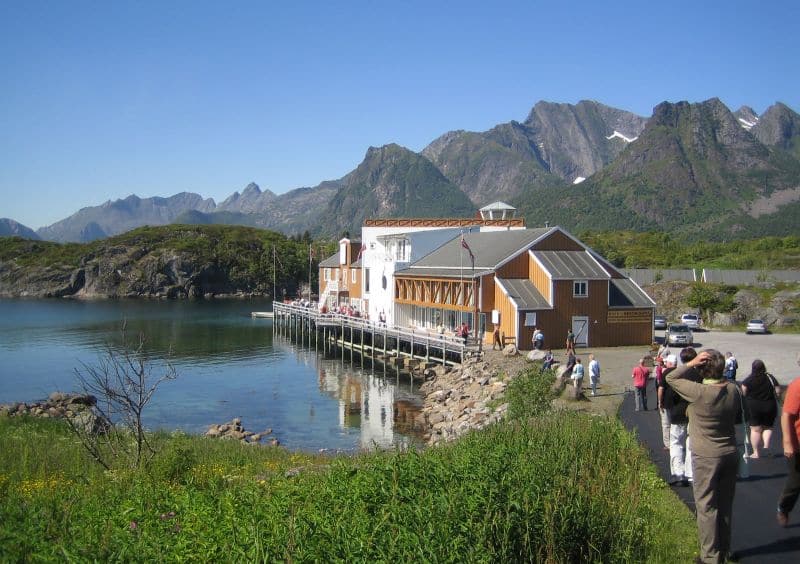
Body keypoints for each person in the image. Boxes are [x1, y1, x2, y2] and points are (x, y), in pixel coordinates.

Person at [667, 349, 740, 564]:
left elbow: (670, 377)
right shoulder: (733, 390)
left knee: (707, 507)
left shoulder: (699, 393)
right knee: (725, 505)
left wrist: (690, 363)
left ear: (702, 369)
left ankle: (710, 556)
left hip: (706, 457)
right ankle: (724, 550)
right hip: (729, 452)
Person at [661, 348, 698, 486]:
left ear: (682, 359)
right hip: (694, 414)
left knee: (676, 443)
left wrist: (666, 406)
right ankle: (691, 474)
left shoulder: (675, 375)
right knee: (690, 445)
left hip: (678, 412)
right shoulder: (698, 375)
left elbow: (670, 395)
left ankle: (678, 473)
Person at [777, 352, 800, 527]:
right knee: (795, 482)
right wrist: (787, 443)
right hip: (797, 444)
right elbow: (786, 416)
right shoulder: (796, 386)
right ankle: (784, 507)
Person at [742, 359, 782, 458]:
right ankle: (766, 447)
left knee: (756, 430)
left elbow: (743, 391)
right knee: (768, 427)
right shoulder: (770, 377)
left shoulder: (749, 379)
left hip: (753, 407)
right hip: (769, 405)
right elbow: (778, 391)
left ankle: (756, 453)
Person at [655, 357, 670, 450]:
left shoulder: (662, 369)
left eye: (658, 361)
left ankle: (668, 444)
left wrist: (660, 402)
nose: (657, 362)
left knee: (666, 423)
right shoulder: (659, 368)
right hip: (660, 383)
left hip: (661, 384)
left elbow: (660, 379)